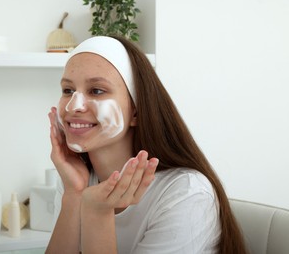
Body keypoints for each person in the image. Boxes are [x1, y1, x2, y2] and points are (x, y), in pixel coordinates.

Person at [46, 35, 246, 254]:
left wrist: (97, 213)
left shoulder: (186, 194)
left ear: (136, 111)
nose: (73, 106)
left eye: (96, 90)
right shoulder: (74, 181)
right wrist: (74, 194)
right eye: (68, 90)